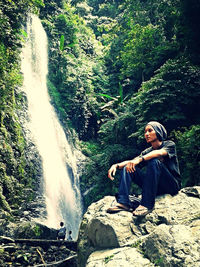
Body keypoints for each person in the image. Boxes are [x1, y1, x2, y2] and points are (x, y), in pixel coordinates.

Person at [107, 121, 181, 216]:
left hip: (171, 186)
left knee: (154, 161)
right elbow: (132, 161)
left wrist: (140, 159)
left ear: (158, 132)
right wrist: (116, 165)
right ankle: (123, 203)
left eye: (150, 131)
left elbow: (158, 153)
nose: (146, 134)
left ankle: (146, 205)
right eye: (145, 132)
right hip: (155, 187)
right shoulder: (147, 151)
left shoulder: (169, 145)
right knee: (128, 167)